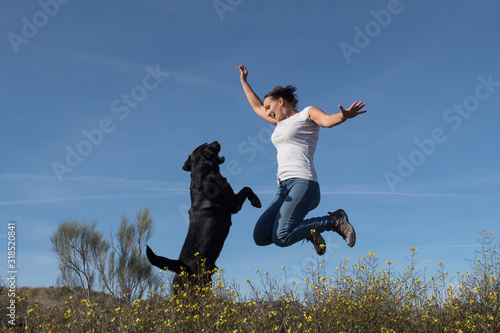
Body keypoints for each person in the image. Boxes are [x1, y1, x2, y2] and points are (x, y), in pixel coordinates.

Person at [237, 64, 367, 255]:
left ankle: (334, 221)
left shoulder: (306, 114)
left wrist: (344, 116)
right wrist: (244, 81)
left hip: (303, 182)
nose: (267, 112)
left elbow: (327, 120)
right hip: (283, 187)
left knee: (281, 237)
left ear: (281, 101)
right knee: (261, 235)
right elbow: (257, 106)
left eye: (269, 107)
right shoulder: (279, 123)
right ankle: (308, 231)